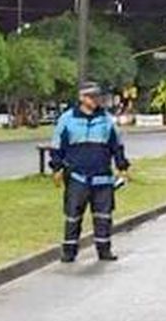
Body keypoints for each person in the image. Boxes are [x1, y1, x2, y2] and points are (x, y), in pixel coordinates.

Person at [48, 82, 130, 262]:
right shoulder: (67, 119)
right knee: (73, 216)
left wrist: (122, 168)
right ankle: (69, 252)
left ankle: (104, 250)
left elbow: (117, 146)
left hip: (102, 177)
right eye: (91, 97)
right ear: (82, 98)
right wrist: (56, 168)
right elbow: (56, 146)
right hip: (76, 176)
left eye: (97, 97)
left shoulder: (107, 120)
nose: (95, 100)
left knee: (103, 216)